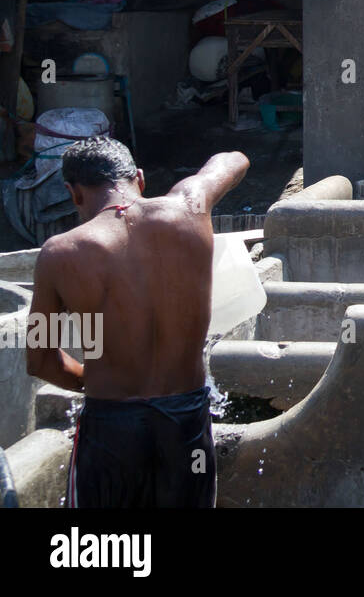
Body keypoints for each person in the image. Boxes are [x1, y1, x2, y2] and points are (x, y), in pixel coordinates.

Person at [26, 137, 249, 508]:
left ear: (73, 193)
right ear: (140, 179)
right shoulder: (191, 205)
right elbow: (234, 159)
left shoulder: (59, 253)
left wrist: (92, 378)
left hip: (110, 428)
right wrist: (193, 187)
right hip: (187, 421)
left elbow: (41, 360)